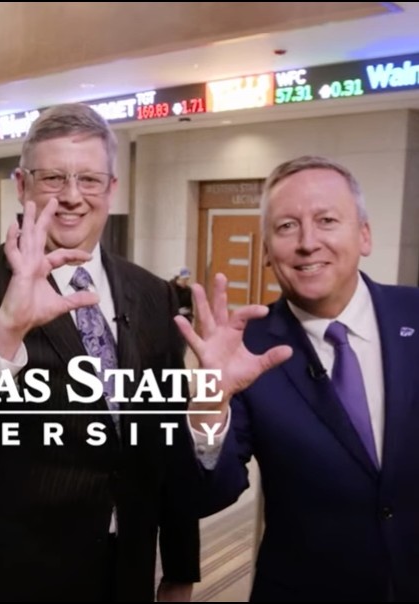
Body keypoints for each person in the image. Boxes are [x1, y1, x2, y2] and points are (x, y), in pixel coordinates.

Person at [0, 103, 201, 601]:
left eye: (89, 179)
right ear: (21, 185)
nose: (71, 197)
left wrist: (179, 568)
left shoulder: (152, 294)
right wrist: (6, 329)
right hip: (16, 579)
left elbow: (166, 441)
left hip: (126, 575)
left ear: (112, 189)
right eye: (52, 179)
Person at [177, 155, 419, 601]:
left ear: (364, 234)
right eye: (287, 227)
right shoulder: (246, 348)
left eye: (327, 220)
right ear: (267, 250)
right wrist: (210, 399)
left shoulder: (414, 314)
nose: (308, 243)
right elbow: (207, 495)